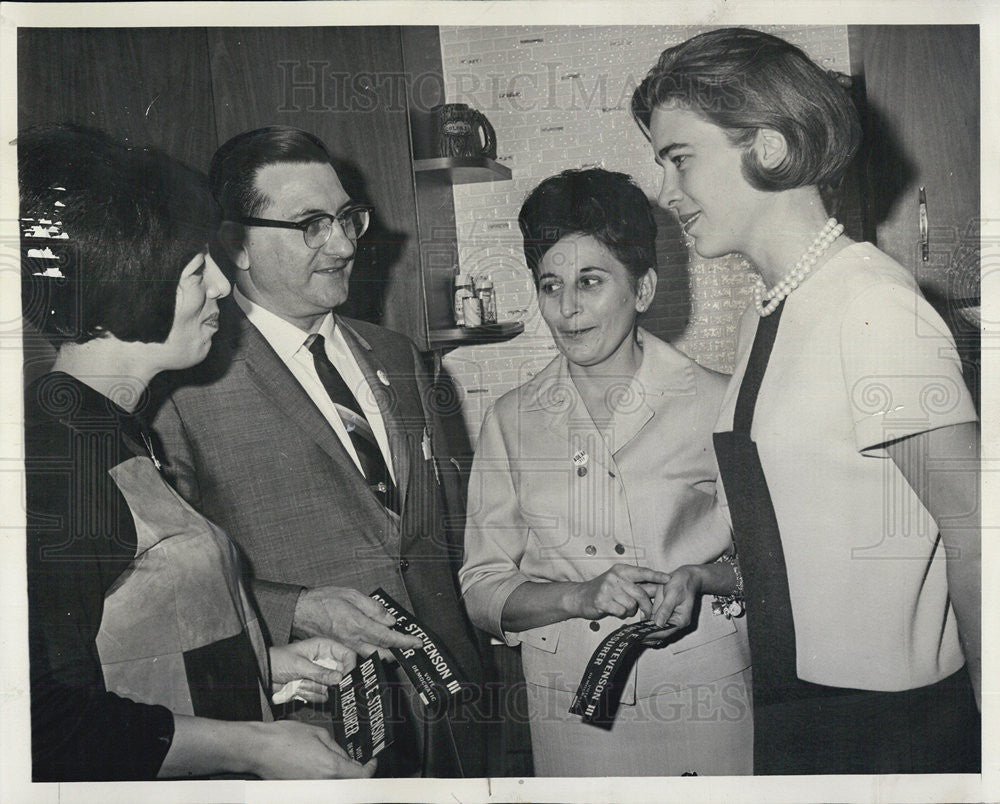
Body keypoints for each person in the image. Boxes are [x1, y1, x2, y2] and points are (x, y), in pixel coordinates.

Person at [631, 27, 981, 775]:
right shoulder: (778, 308)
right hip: (800, 705)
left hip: (895, 728)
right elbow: (799, 535)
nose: (665, 193)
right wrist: (709, 574)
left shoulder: (872, 304)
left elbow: (978, 527)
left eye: (679, 159)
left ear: (767, 146)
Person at [21, 124, 376, 781]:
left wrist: (262, 667)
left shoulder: (118, 433)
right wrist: (257, 746)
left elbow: (126, 649)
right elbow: (39, 724)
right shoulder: (57, 458)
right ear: (132, 285)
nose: (219, 285)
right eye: (194, 269)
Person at [151, 126, 487, 777]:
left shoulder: (400, 358)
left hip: (451, 720)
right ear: (236, 244)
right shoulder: (185, 384)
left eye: (346, 218)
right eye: (309, 225)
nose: (343, 244)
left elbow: (442, 537)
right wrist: (296, 608)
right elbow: (161, 586)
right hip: (311, 734)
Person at [459, 167, 752, 777]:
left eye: (591, 281)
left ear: (642, 289)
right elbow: (482, 589)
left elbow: (770, 565)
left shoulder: (720, 403)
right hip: (570, 714)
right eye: (550, 285)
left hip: (705, 698)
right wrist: (577, 596)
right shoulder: (510, 420)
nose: (567, 309)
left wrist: (700, 577)